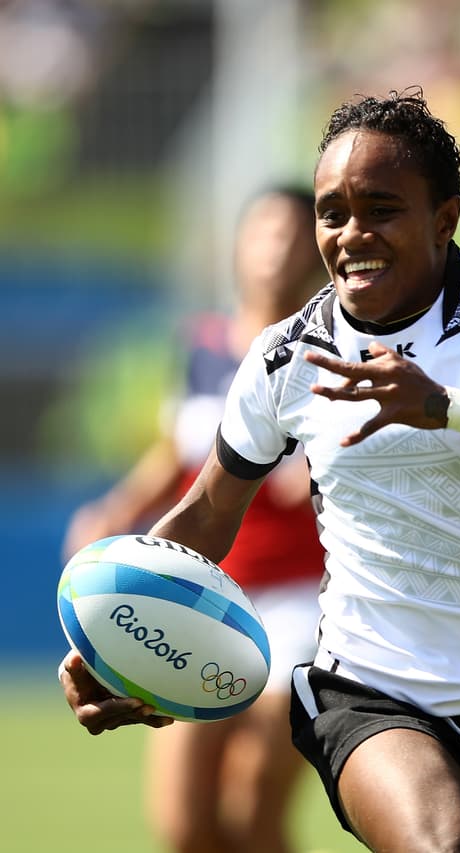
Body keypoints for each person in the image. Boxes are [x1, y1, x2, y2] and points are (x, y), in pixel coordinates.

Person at [59, 88, 460, 853]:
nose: (351, 234)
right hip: (369, 688)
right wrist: (118, 633)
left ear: (445, 218)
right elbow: (206, 511)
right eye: (332, 212)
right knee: (442, 843)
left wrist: (450, 409)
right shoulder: (286, 356)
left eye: (381, 209)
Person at [62, 186, 327, 853]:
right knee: (186, 825)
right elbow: (180, 452)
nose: (277, 247)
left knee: (253, 810)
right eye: (264, 230)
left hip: (301, 600)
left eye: (293, 233)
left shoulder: (330, 353)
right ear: (238, 244)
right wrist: (118, 509)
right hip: (198, 595)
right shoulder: (202, 345)